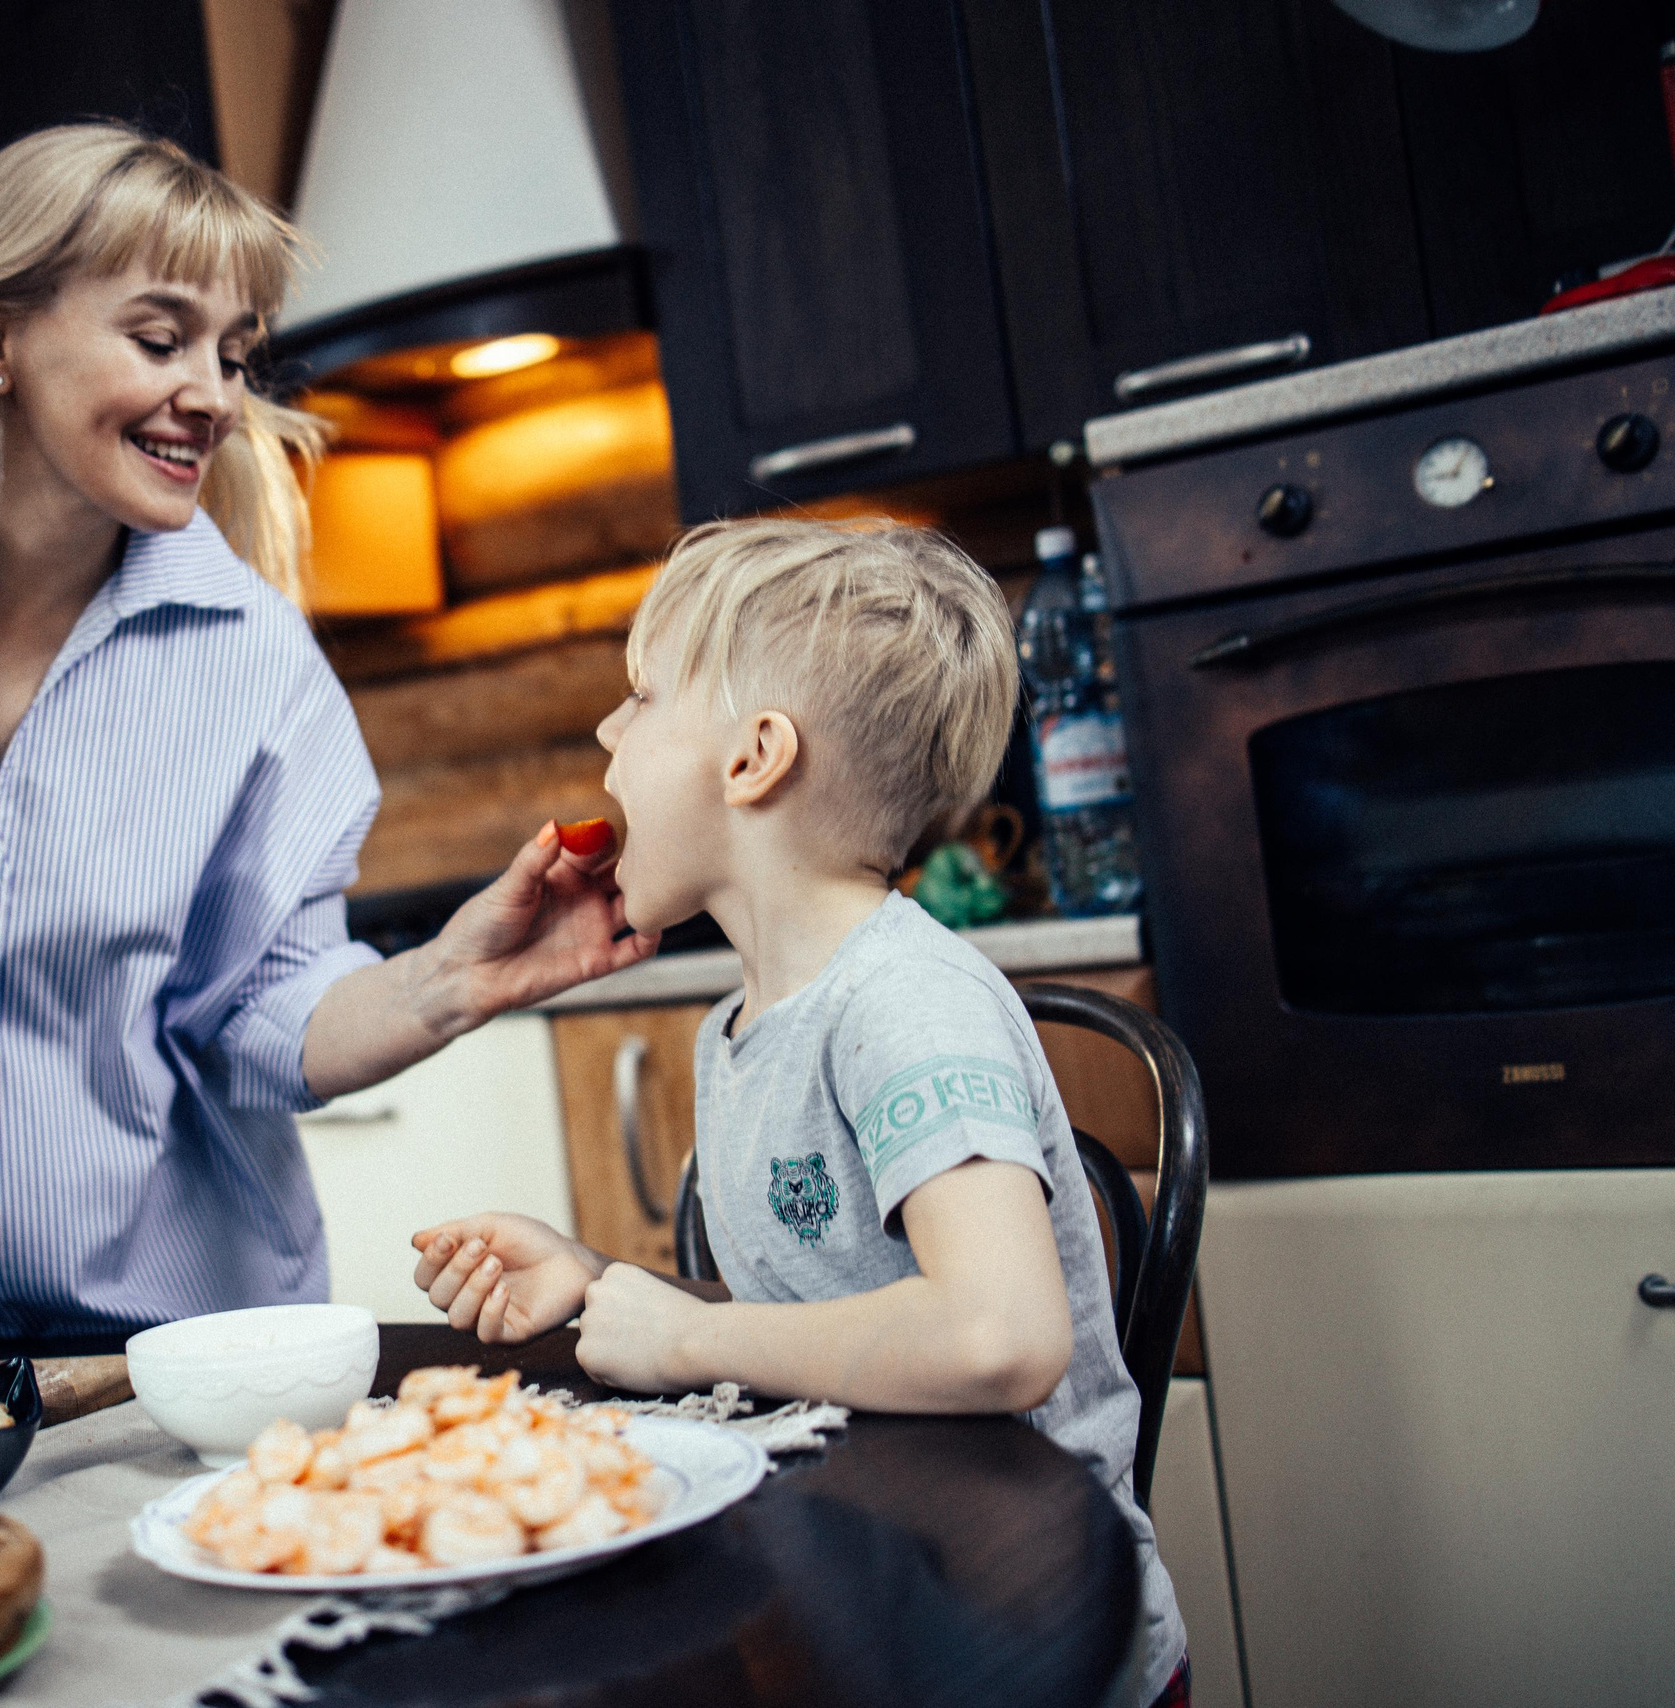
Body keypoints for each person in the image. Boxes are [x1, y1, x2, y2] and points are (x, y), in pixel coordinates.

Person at [0, 124, 656, 1375]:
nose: (213, 392)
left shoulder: (256, 663)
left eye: (235, 354)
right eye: (159, 338)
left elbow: (258, 1009)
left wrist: (444, 982)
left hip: (150, 1356)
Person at [408, 518, 1189, 1707]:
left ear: (753, 758)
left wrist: (680, 1340)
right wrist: (600, 1278)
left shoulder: (904, 1003)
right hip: (864, 1601)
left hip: (1025, 1635)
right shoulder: (740, 1030)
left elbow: (999, 1335)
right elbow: (823, 1306)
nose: (607, 737)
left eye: (640, 697)